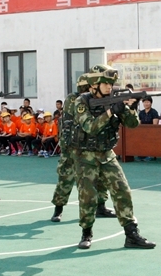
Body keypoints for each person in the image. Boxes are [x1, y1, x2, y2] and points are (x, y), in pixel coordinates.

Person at [72, 65, 154, 250]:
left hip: (107, 154)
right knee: (88, 196)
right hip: (85, 156)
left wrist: (130, 108)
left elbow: (132, 125)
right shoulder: (82, 101)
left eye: (111, 84)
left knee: (122, 190)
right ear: (94, 85)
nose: (110, 87)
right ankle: (86, 232)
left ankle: (131, 234)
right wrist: (110, 112)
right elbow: (90, 127)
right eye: (106, 84)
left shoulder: (116, 98)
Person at [50, 73, 113, 222]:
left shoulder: (96, 99)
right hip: (72, 145)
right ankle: (58, 209)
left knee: (100, 178)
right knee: (66, 177)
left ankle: (101, 206)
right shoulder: (75, 99)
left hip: (92, 146)